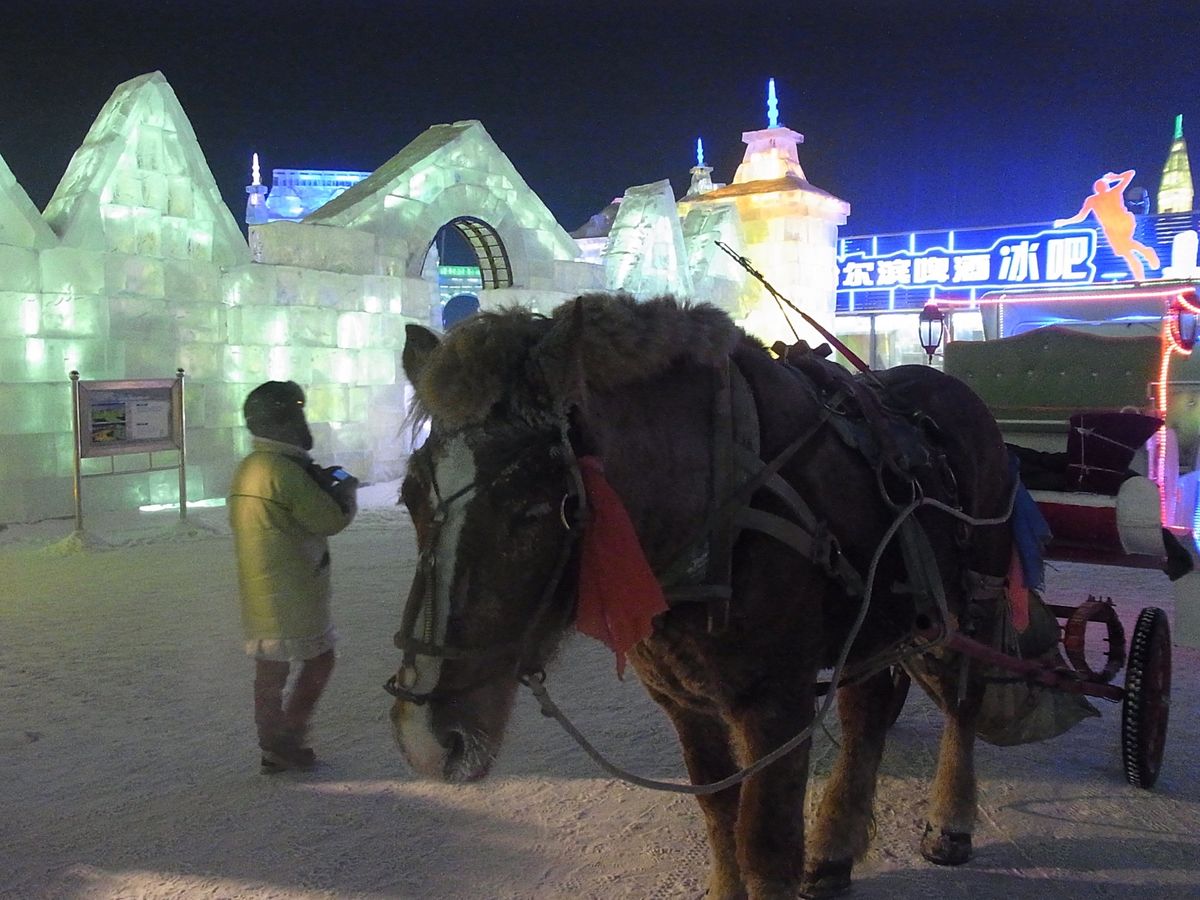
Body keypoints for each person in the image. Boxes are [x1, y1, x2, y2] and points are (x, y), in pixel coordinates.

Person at [228, 380, 359, 773]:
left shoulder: (250, 467)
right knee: (320, 660)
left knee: (270, 669)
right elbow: (329, 520)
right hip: (292, 588)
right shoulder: (284, 471)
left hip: (259, 586)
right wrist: (346, 493)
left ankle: (273, 745)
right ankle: (288, 737)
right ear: (285, 421)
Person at [1054, 170, 1160, 281]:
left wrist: (1115, 177)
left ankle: (1145, 255)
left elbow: (1131, 173)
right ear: (1096, 189)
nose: (1100, 188)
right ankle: (1141, 272)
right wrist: (1064, 222)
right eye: (1098, 186)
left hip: (1123, 222)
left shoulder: (1114, 192)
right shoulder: (1092, 200)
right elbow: (1081, 217)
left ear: (1106, 186)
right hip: (1111, 230)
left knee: (1127, 247)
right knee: (1127, 253)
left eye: (1102, 185)